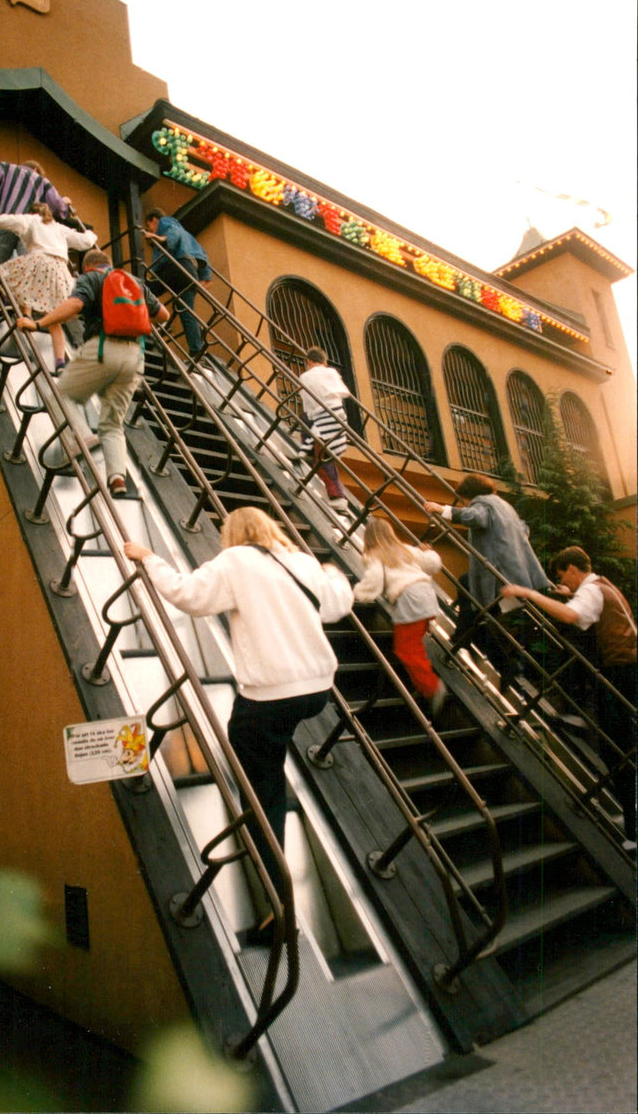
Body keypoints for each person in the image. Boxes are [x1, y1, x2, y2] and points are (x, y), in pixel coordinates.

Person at [123, 506, 353, 940]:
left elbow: (189, 596)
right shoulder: (300, 562)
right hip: (317, 690)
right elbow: (339, 603)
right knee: (268, 756)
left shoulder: (235, 562)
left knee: (262, 787)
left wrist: (148, 557)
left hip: (268, 698)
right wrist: (334, 572)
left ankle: (278, 907)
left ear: (232, 533)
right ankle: (270, 786)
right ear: (270, 529)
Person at [501, 546, 636, 849]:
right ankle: (632, 821)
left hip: (619, 674)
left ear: (573, 569)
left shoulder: (591, 592)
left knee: (619, 750)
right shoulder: (602, 586)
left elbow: (572, 614)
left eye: (565, 577)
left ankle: (634, 831)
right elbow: (580, 604)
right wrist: (564, 592)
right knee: (620, 747)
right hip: (626, 669)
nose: (567, 584)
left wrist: (530, 594)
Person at [16, 249, 168, 498]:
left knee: (59, 394)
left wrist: (38, 323)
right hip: (135, 357)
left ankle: (82, 437)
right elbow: (163, 314)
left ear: (87, 267)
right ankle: (117, 477)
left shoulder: (90, 279)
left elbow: (76, 303)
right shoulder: (134, 282)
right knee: (112, 423)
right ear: (108, 263)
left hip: (102, 348)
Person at [424, 473, 549, 685]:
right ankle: (496, 657)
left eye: (464, 500)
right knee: (476, 607)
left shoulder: (483, 503)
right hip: (516, 573)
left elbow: (476, 517)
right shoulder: (505, 506)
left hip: (498, 575)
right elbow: (524, 530)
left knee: (473, 601)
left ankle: (469, 643)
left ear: (470, 495)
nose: (465, 504)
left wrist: (443, 509)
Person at [0, 202, 97, 373]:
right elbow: (85, 241)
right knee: (54, 319)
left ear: (32, 212)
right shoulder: (59, 228)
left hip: (39, 262)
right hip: (60, 271)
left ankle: (19, 308)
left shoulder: (31, 219)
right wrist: (90, 233)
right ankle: (60, 363)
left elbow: (8, 220)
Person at [354, 517, 446, 714]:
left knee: (406, 649)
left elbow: (374, 580)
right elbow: (432, 563)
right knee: (413, 645)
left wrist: (356, 594)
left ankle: (431, 687)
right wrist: (428, 552)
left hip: (409, 598)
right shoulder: (406, 549)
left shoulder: (373, 555)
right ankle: (422, 686)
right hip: (427, 595)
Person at [143, 208, 212, 357]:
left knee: (143, 290)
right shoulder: (191, 239)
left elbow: (173, 232)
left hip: (175, 267)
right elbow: (204, 256)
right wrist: (204, 278)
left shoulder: (166, 222)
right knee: (186, 312)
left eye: (149, 227)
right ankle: (197, 350)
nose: (150, 230)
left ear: (153, 220)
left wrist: (160, 238)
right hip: (190, 272)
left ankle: (158, 321)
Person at [298, 347, 350, 511]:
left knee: (323, 458)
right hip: (338, 415)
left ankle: (338, 497)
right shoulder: (332, 373)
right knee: (327, 454)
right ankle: (308, 449)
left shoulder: (305, 377)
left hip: (322, 417)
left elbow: (308, 405)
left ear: (308, 362)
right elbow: (342, 393)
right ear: (325, 362)